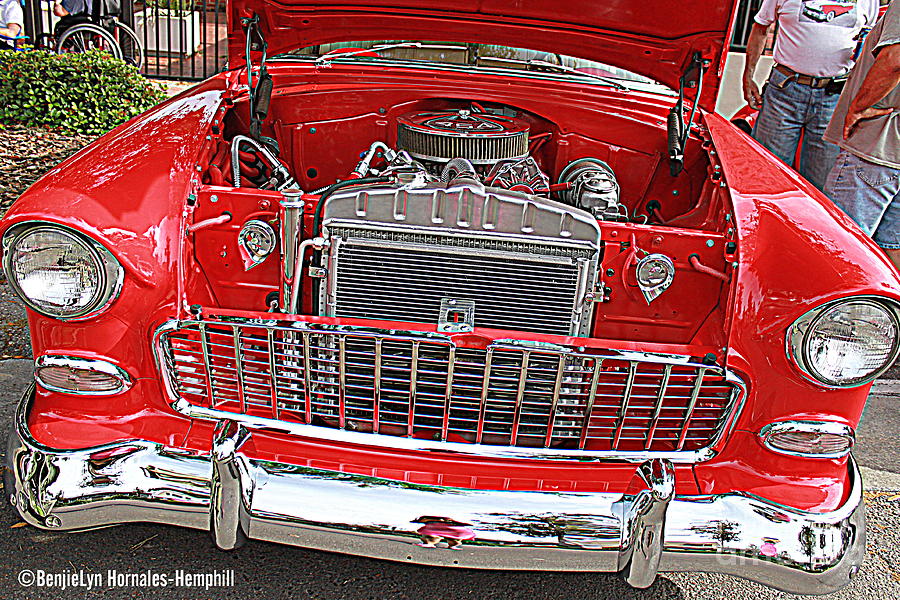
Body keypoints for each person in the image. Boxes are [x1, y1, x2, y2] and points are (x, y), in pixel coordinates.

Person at [743, 0, 880, 190]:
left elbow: (871, 41)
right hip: (785, 91)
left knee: (820, 185)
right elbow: (760, 28)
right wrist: (748, 76)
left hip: (834, 97)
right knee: (766, 173)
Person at [824, 1, 900, 271]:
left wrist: (857, 108)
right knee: (891, 253)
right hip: (891, 152)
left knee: (840, 250)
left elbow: (894, 59)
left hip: (878, 146)